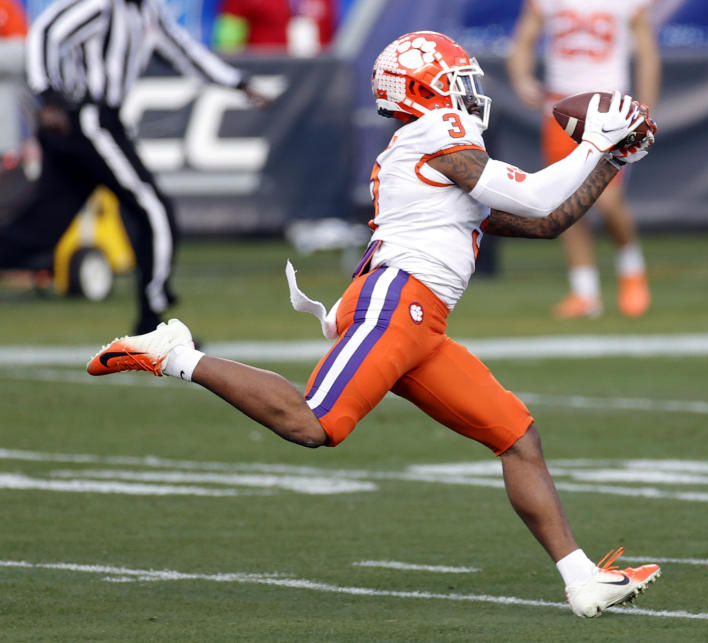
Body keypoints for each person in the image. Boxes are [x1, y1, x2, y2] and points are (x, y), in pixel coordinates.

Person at [86, 31, 659, 618]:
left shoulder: (432, 148)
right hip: (397, 304)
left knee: (515, 435)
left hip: (419, 319)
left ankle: (581, 578)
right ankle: (177, 354)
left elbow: (547, 222)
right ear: (425, 89)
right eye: (458, 82)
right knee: (314, 425)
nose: (469, 95)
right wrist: (596, 143)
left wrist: (611, 158)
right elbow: (539, 198)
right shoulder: (438, 133)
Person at [0, 0, 269, 334]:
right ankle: (151, 323)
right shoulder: (98, 5)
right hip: (85, 117)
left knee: (39, 229)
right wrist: (49, 96)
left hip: (88, 121)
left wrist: (238, 83)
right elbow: (44, 33)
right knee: (154, 211)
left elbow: (185, 52)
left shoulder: (148, 12)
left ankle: (151, 319)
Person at [507, 0, 662, 319]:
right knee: (565, 199)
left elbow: (647, 54)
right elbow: (522, 42)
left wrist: (645, 107)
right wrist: (522, 79)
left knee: (608, 200)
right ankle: (585, 291)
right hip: (562, 108)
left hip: (611, 109)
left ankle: (631, 268)